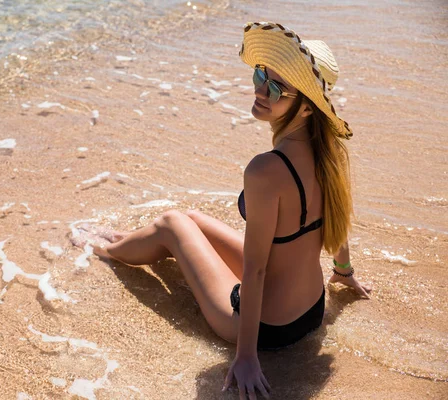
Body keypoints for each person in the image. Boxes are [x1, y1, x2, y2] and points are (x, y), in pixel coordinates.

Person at [73, 21, 372, 400]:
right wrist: (343, 273)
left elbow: (257, 268)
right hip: (311, 310)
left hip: (267, 326)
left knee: (172, 223)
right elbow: (338, 219)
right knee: (193, 219)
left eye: (277, 87)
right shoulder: (329, 155)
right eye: (261, 74)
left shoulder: (266, 169)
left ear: (308, 108)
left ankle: (105, 247)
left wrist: (246, 355)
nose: (262, 89)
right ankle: (128, 238)